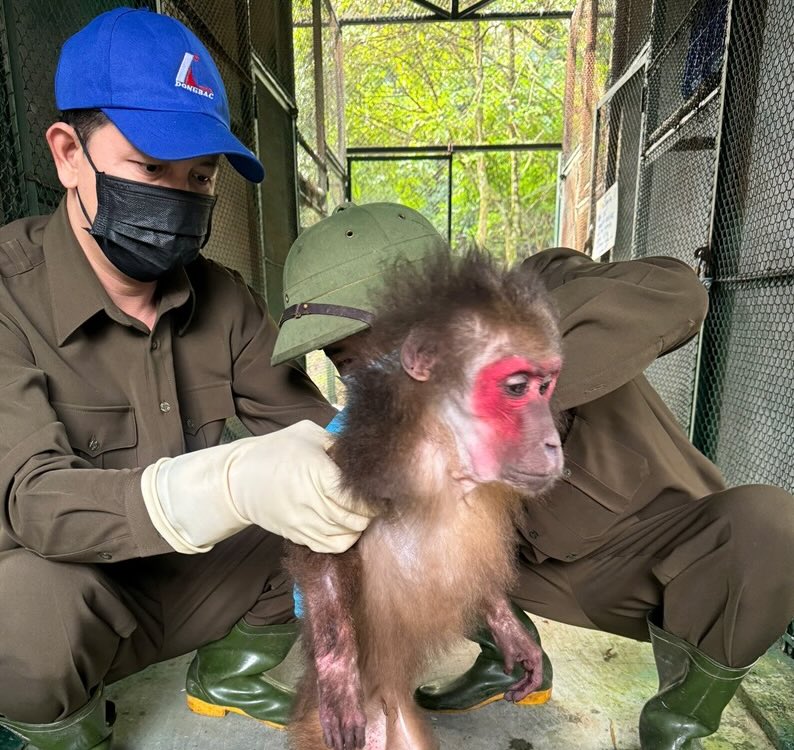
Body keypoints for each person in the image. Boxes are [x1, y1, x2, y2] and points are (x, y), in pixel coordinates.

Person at [271, 201, 794, 750]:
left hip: (649, 558)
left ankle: (678, 723)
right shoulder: (370, 419)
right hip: (525, 575)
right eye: (344, 362)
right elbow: (329, 547)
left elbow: (678, 292)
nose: (368, 375)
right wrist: (337, 660)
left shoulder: (536, 292)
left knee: (772, 524)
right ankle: (496, 663)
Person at [0, 9, 374, 750]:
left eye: (200, 175)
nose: (179, 197)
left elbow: (310, 437)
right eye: (150, 169)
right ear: (69, 153)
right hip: (75, 595)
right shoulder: (7, 293)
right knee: (26, 617)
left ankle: (228, 672)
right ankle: (59, 729)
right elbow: (33, 500)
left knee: (334, 520)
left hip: (186, 584)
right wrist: (230, 481)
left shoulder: (223, 297)